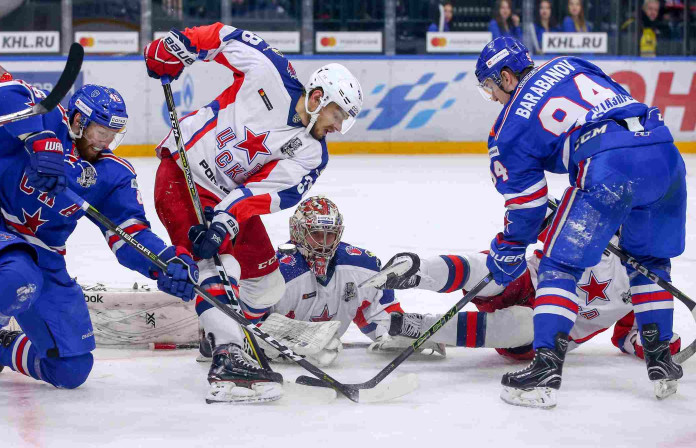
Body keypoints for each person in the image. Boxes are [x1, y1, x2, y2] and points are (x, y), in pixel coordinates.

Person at [0, 78, 199, 410]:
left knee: (71, 368)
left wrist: (163, 261)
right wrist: (39, 140)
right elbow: (3, 93)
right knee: (19, 276)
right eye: (100, 132)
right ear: (79, 120)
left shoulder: (114, 173)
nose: (105, 142)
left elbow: (129, 231)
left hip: (45, 258)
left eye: (112, 135)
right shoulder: (47, 118)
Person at [144, 23, 363, 403]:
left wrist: (224, 221)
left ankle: (219, 333)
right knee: (214, 263)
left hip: (224, 197)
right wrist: (177, 46)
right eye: (338, 114)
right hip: (182, 173)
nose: (339, 126)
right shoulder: (271, 72)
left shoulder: (311, 152)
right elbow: (220, 36)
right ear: (317, 96)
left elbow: (260, 195)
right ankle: (228, 359)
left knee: (267, 284)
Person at [474, 36, 686, 408]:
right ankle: (661, 359)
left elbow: (527, 210)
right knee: (650, 262)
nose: (492, 97)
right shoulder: (570, 62)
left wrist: (506, 251)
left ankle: (545, 368)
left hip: (609, 166)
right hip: (665, 154)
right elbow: (615, 101)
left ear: (506, 77)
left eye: (490, 87)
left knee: (560, 264)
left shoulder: (506, 128)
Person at [372, 215, 682, 374]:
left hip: (547, 334)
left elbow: (625, 336)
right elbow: (539, 230)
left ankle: (421, 328)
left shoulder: (647, 285)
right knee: (495, 268)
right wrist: (561, 220)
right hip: (531, 281)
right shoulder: (593, 224)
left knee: (525, 323)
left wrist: (651, 343)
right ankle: (416, 270)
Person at [249, 196, 444, 367]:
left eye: (330, 234)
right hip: (282, 365)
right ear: (298, 232)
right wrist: (295, 338)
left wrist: (398, 330)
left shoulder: (361, 265)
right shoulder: (276, 272)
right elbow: (248, 326)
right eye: (316, 234)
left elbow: (378, 312)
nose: (323, 243)